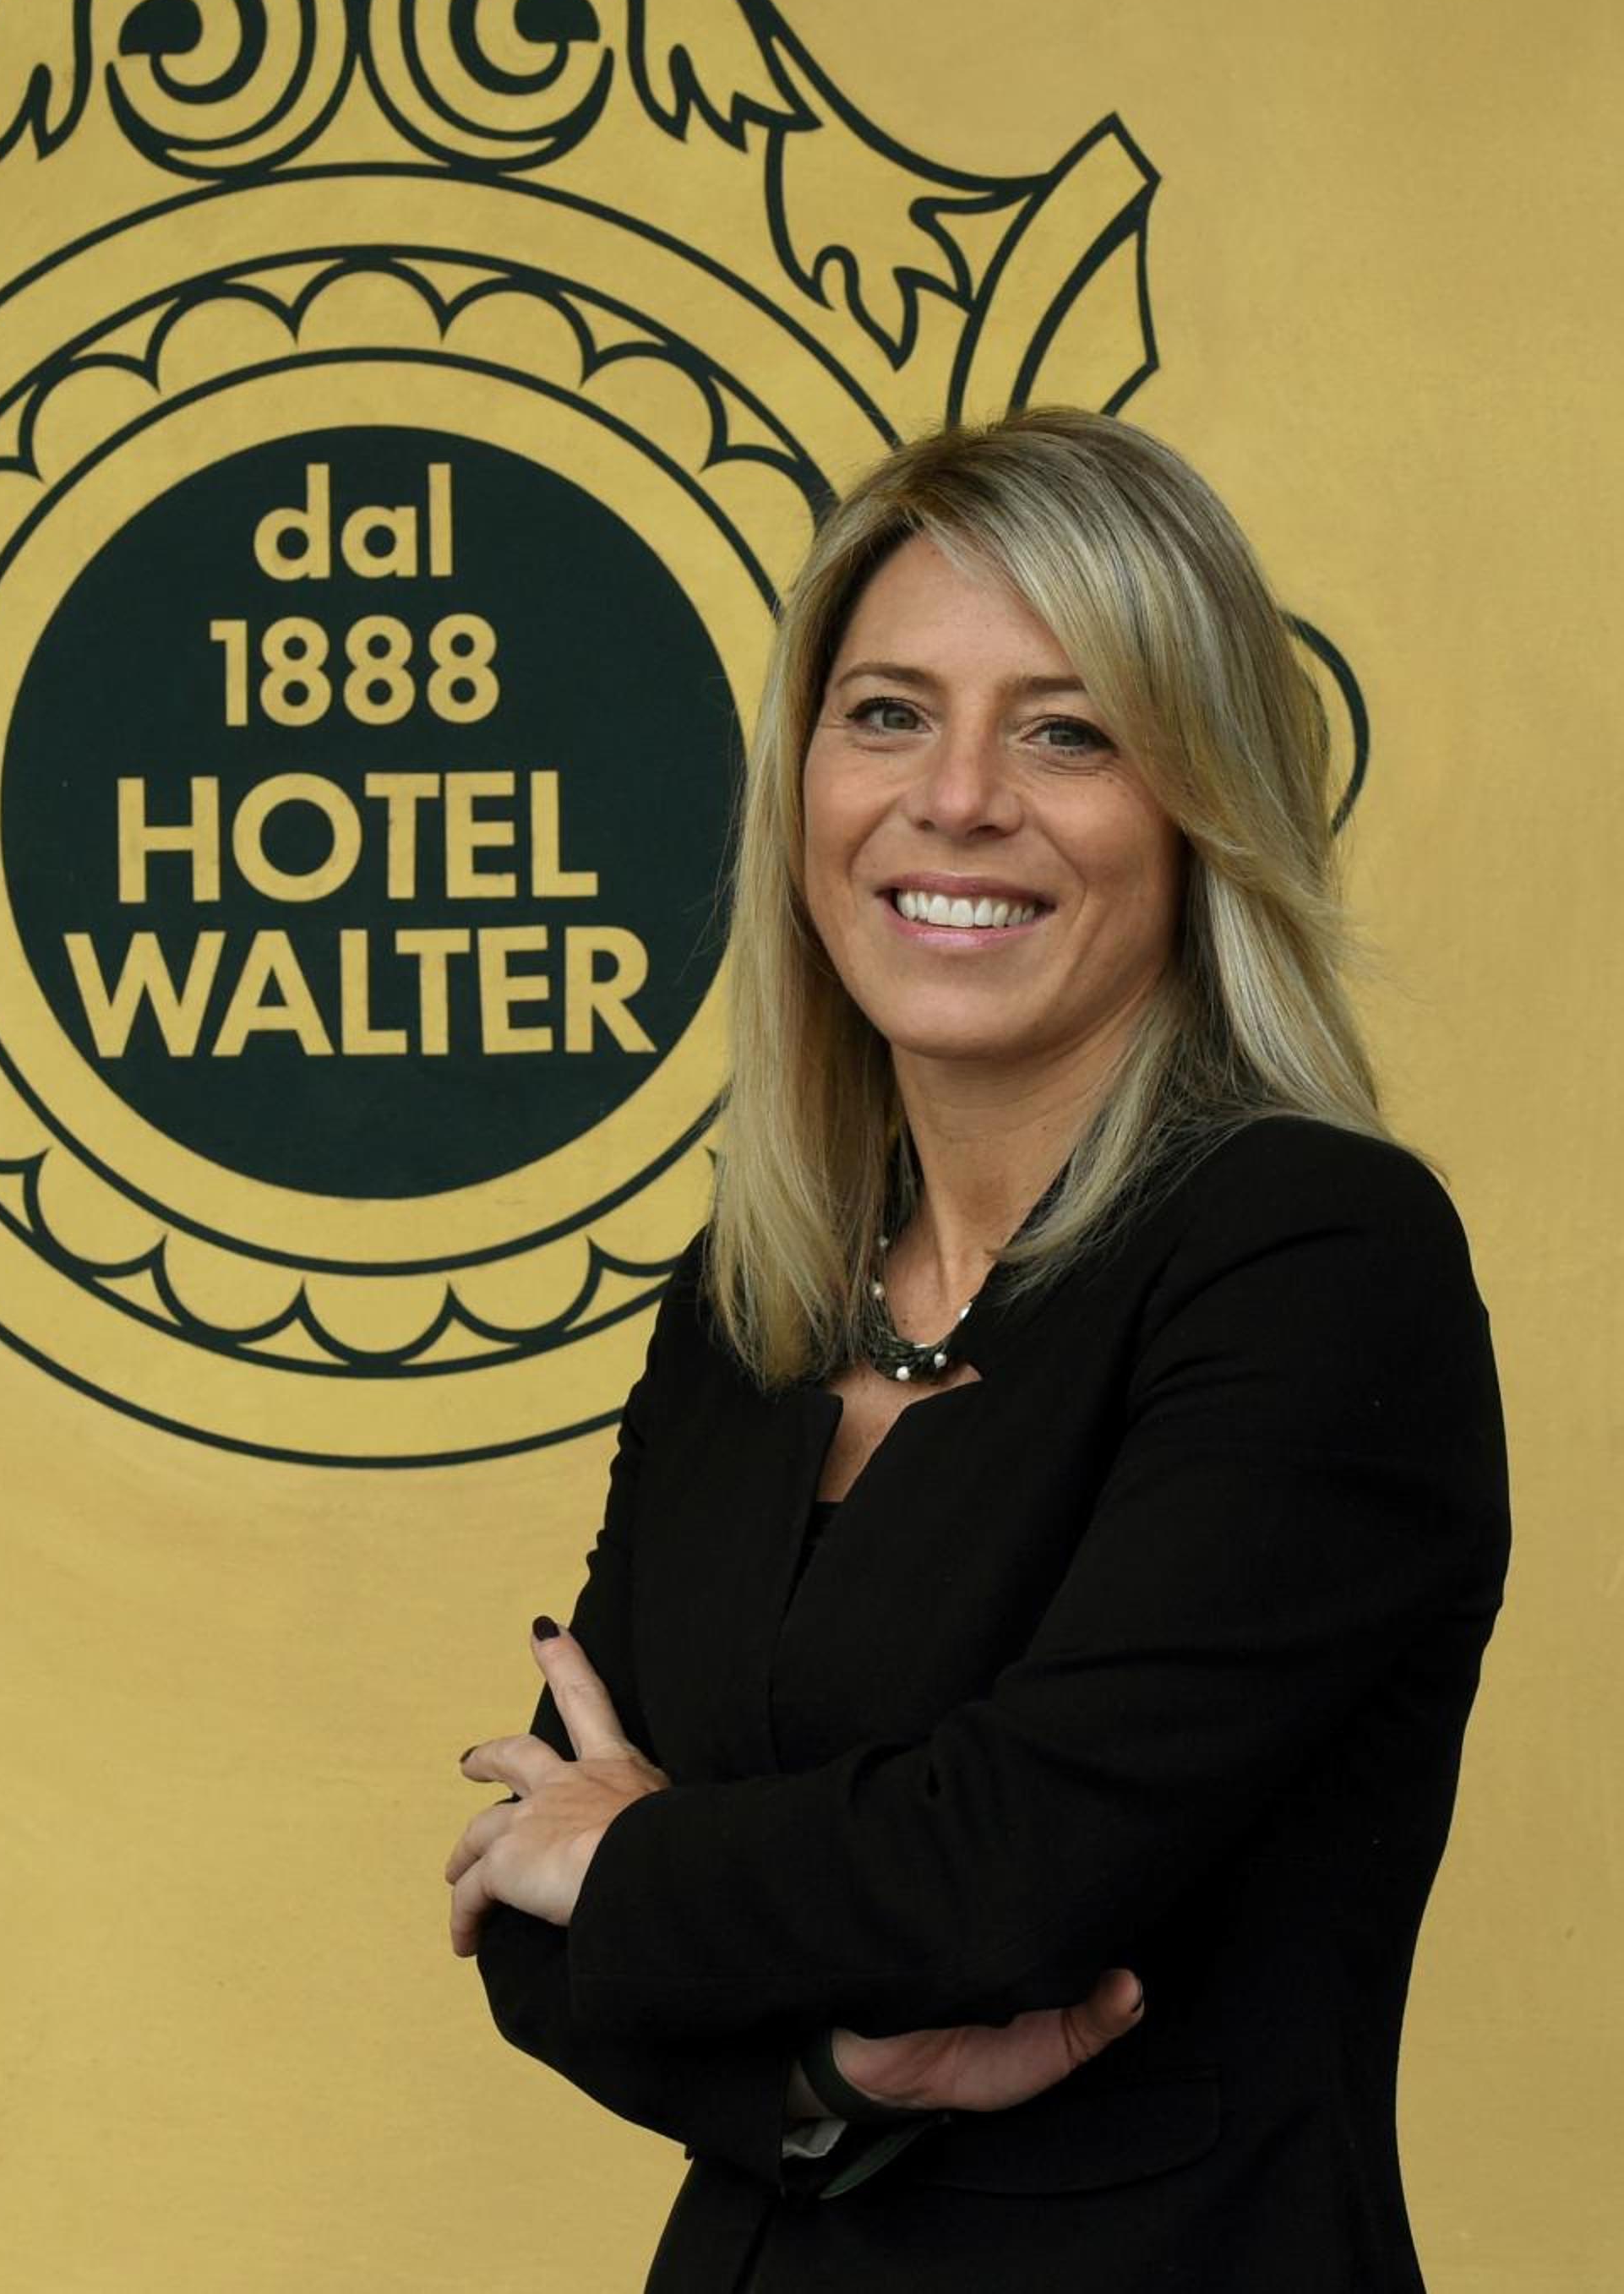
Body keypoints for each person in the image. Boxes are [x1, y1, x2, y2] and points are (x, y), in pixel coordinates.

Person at [443, 408, 1508, 2292]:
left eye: (1066, 731)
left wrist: (640, 1860)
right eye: (886, 714)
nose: (954, 799)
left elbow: (1014, 1875)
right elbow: (523, 1922)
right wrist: (827, 2071)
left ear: (1199, 805)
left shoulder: (1314, 1256)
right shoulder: (755, 1298)